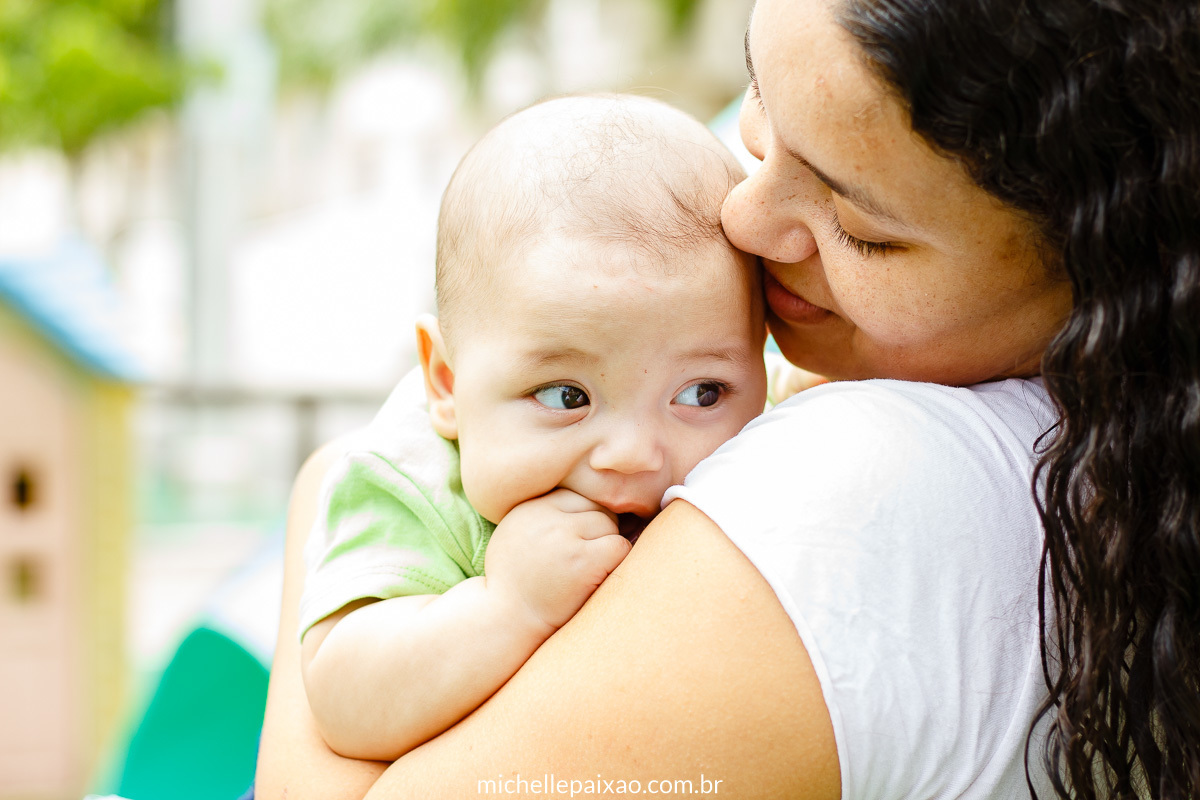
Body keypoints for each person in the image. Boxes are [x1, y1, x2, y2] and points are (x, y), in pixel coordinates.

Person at [256, 0, 1200, 797]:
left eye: (863, 230)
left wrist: (320, 498)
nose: (741, 218)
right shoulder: (1133, 466)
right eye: (761, 117)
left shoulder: (879, 486)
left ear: (1110, 263)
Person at [296, 94, 770, 761]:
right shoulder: (415, 484)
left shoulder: (768, 465)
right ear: (447, 384)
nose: (634, 454)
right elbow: (342, 699)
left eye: (700, 393)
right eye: (564, 394)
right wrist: (505, 607)